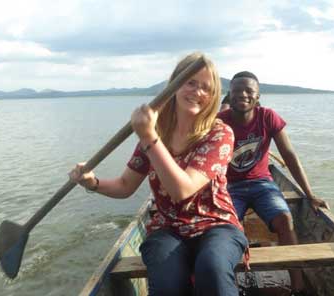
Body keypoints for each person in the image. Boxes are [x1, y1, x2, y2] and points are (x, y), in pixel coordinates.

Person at [69, 53, 248, 296]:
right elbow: (124, 185)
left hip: (216, 224)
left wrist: (148, 137)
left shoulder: (220, 134)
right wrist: (92, 183)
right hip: (168, 227)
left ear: (214, 96)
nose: (197, 92)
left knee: (212, 270)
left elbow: (182, 190)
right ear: (174, 86)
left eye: (206, 88)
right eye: (191, 83)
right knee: (166, 285)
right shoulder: (157, 133)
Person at [218, 71, 329, 296]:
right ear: (230, 95)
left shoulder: (267, 117)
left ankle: (298, 286)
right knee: (226, 229)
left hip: (262, 183)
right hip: (230, 186)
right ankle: (229, 284)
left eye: (249, 90)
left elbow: (289, 155)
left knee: (284, 218)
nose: (243, 94)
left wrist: (309, 194)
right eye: (237, 90)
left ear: (258, 96)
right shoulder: (221, 121)